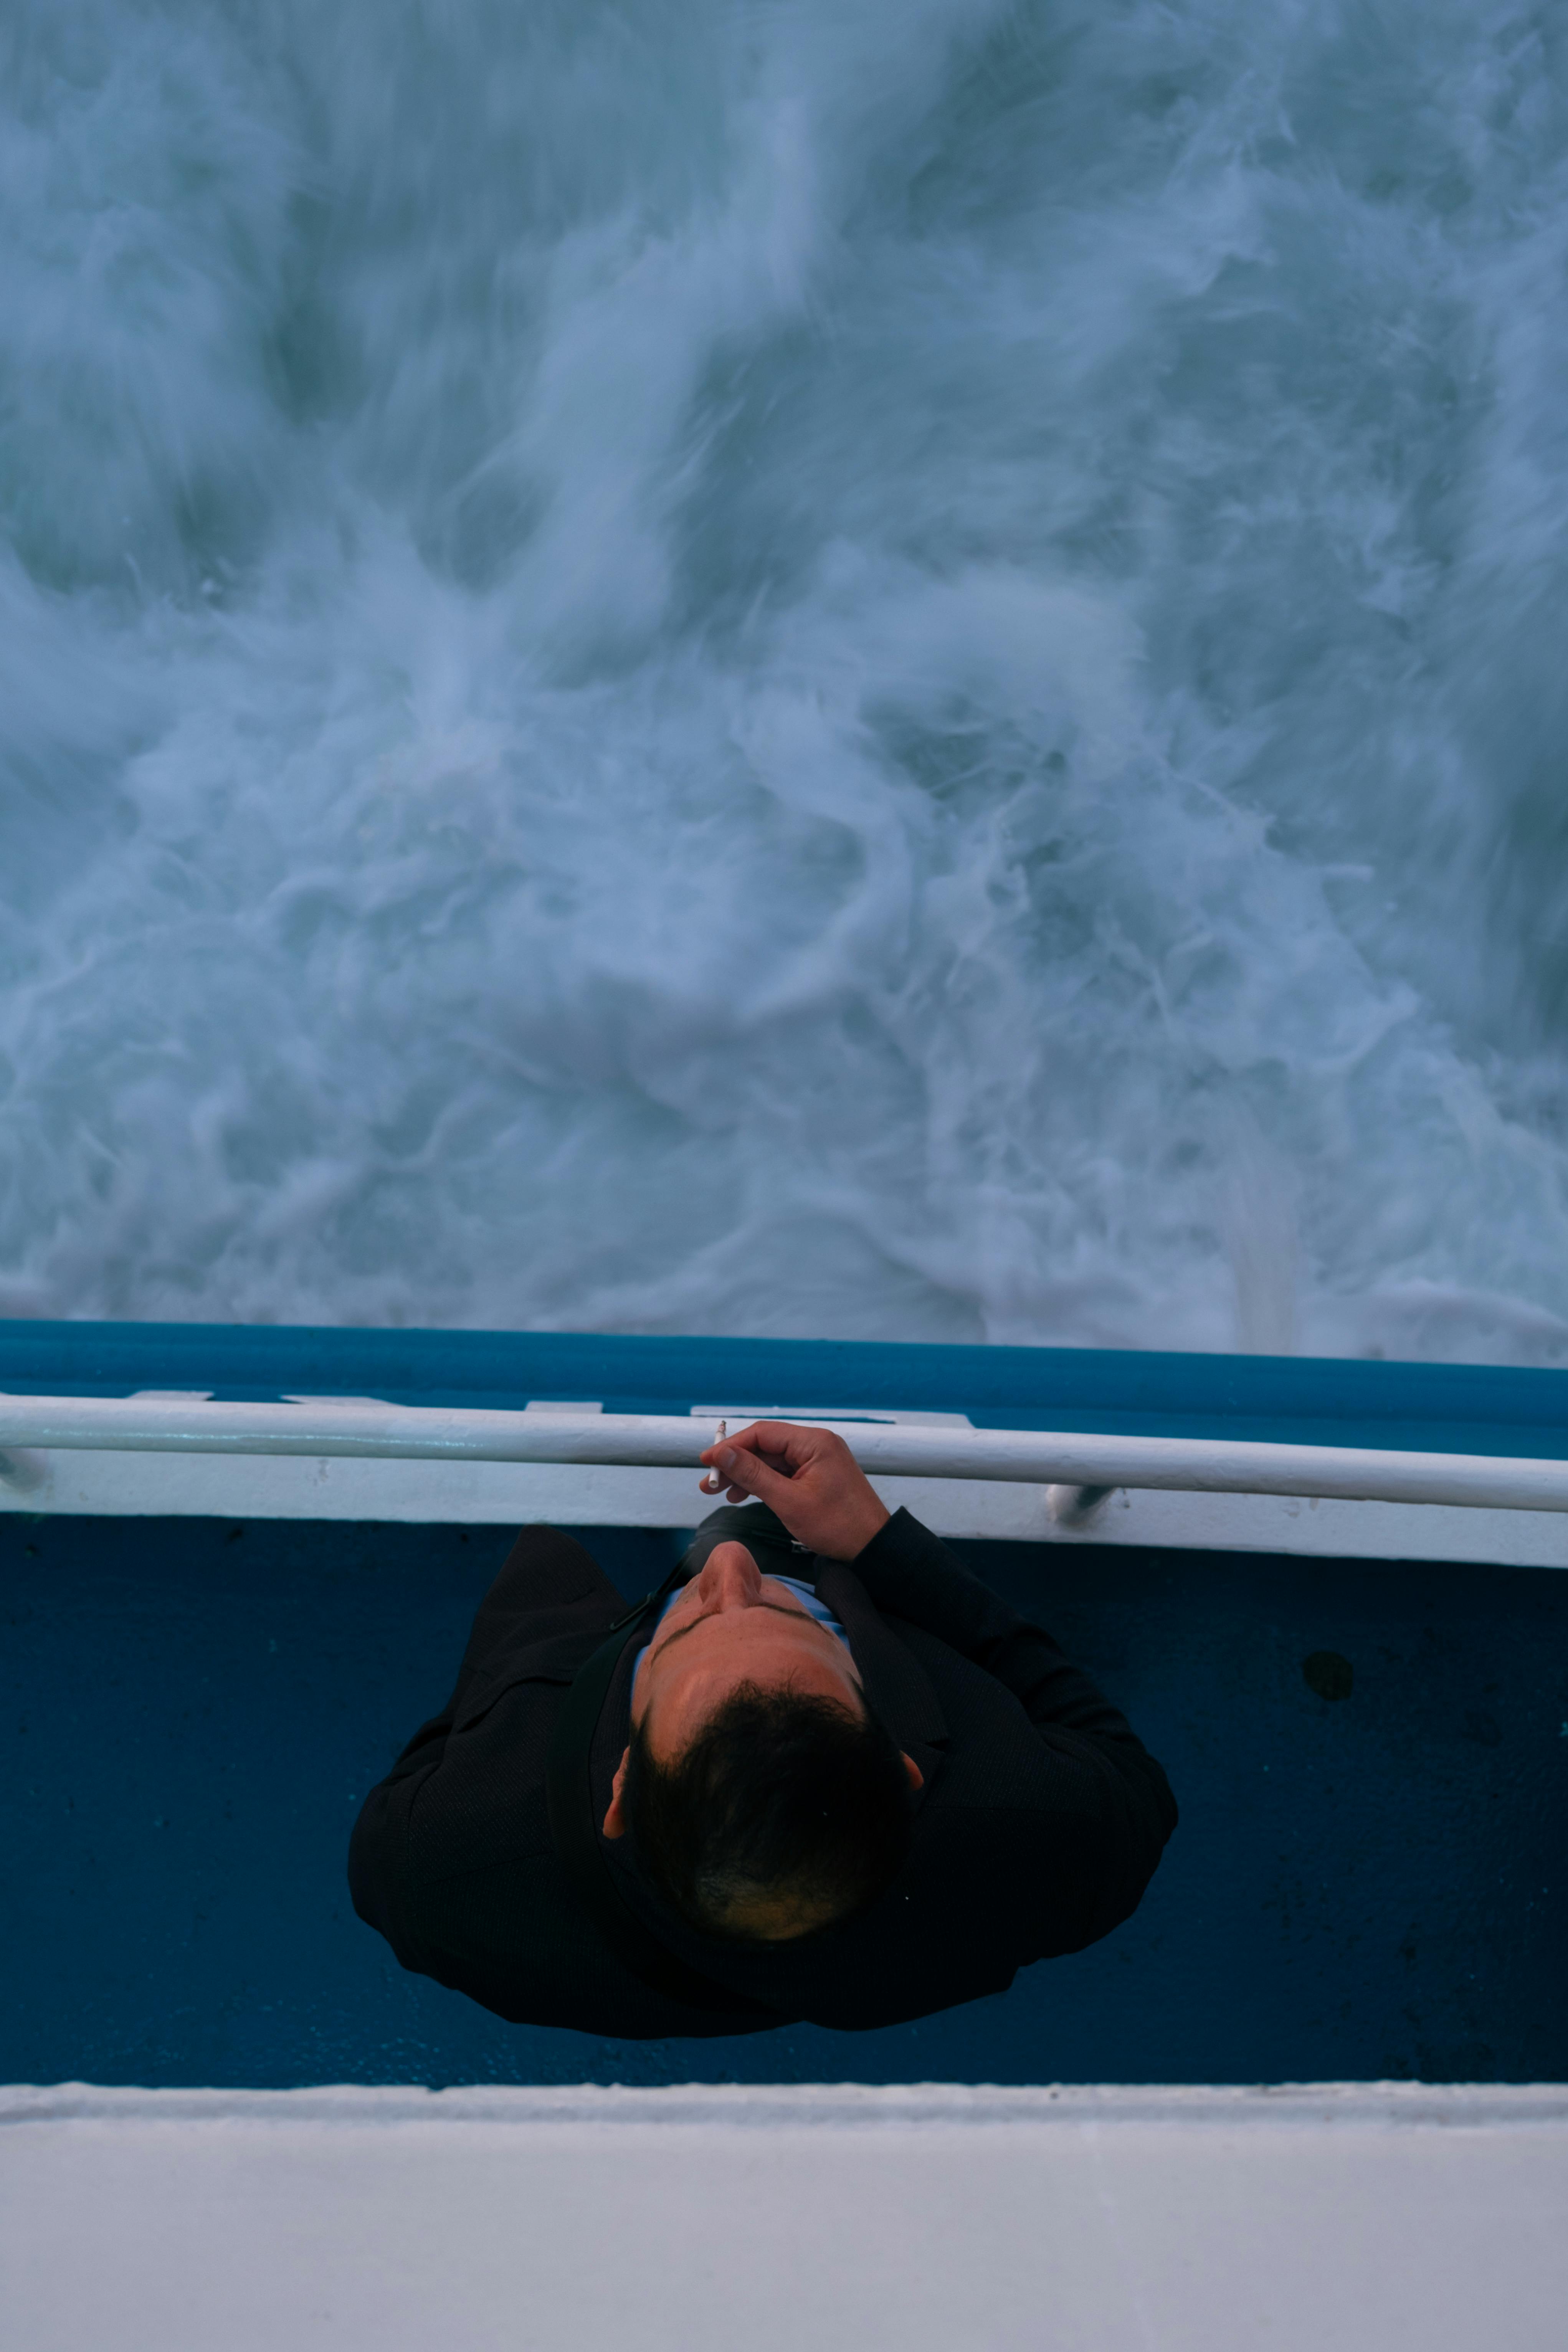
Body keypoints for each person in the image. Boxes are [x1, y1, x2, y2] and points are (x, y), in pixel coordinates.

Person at [348, 1420, 1177, 2037]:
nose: (728, 1566)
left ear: (621, 1793)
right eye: (817, 1629)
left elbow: (401, 1804)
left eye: (682, 1627)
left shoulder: (443, 1867)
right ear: (904, 1768)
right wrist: (888, 1551)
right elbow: (1125, 1772)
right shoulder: (1039, 1835)